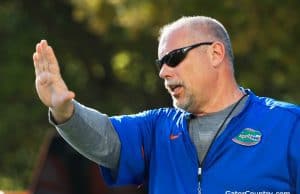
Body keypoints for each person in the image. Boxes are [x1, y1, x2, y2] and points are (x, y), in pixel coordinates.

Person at [33, 16, 300, 194]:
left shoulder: (288, 125)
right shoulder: (156, 128)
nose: (163, 72)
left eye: (173, 58)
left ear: (215, 54)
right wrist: (64, 110)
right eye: (160, 64)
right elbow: (104, 139)